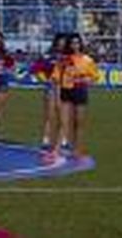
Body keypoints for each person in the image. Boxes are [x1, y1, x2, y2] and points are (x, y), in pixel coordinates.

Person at [47, 33, 100, 161]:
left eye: (77, 42)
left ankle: (77, 151)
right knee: (64, 123)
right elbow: (55, 77)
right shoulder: (63, 59)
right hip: (66, 91)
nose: (75, 45)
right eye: (73, 43)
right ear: (69, 45)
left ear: (81, 44)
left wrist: (87, 80)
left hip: (80, 92)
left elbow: (95, 76)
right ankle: (56, 150)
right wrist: (57, 92)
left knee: (79, 123)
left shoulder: (87, 60)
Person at [30, 33, 67, 148]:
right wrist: (45, 80)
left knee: (63, 114)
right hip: (51, 88)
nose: (62, 45)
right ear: (56, 43)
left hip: (65, 88)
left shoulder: (69, 57)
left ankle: (63, 140)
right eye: (60, 42)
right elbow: (35, 69)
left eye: (64, 43)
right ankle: (45, 139)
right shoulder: (48, 56)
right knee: (49, 114)